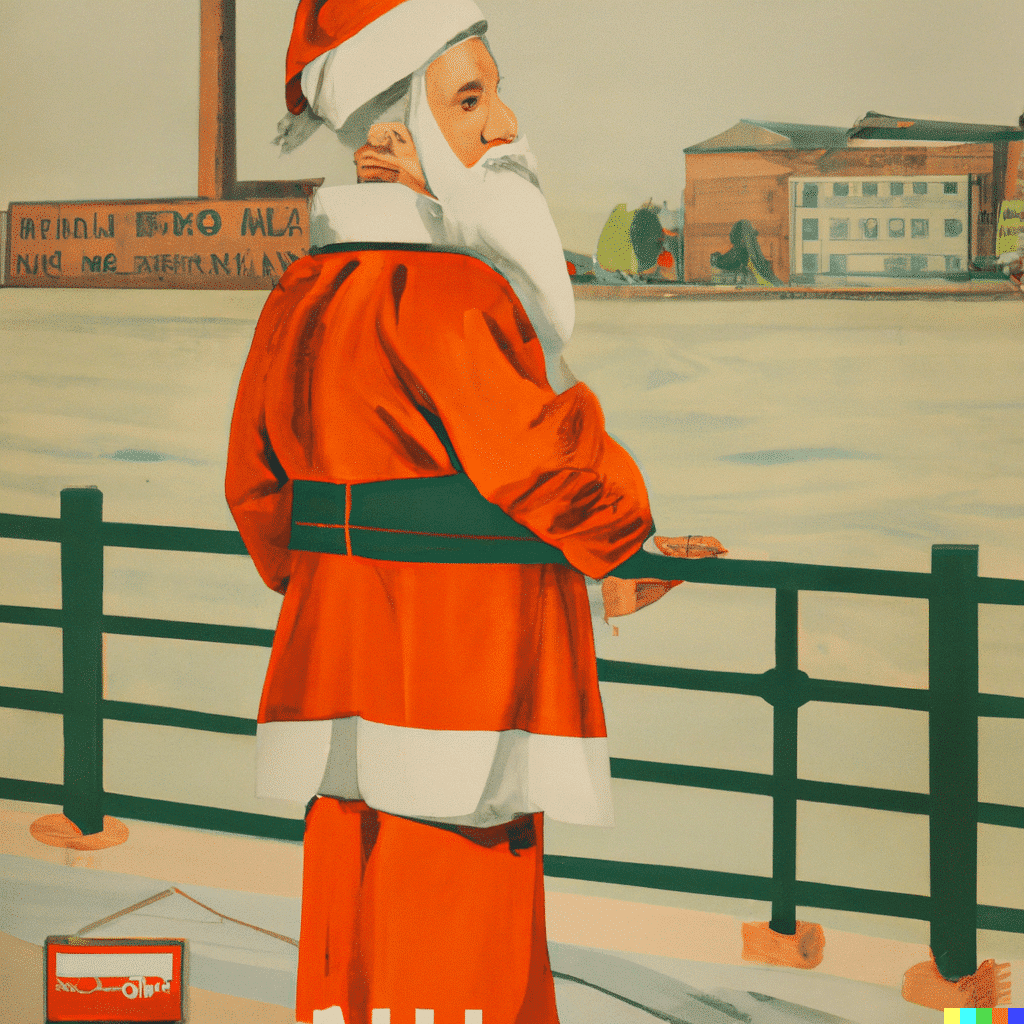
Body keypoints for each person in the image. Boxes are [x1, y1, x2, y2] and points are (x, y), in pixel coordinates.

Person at [226, 2, 723, 1020]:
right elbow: (542, 453)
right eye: (470, 99)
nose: (505, 127)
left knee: (352, 925)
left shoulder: (300, 294)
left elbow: (256, 490)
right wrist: (625, 541)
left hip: (341, 649)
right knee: (466, 926)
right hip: (472, 665)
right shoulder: (454, 293)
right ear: (391, 137)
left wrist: (333, 576)